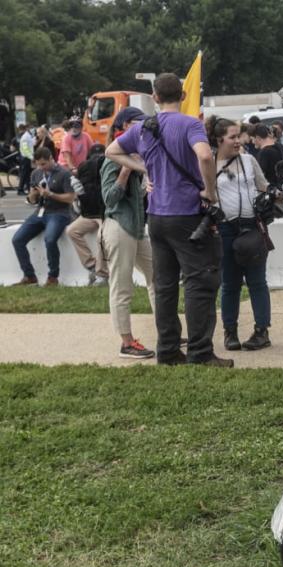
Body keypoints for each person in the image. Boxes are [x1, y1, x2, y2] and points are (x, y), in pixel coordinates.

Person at [106, 72, 232, 368]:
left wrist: (144, 168)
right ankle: (201, 352)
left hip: (157, 215)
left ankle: (168, 350)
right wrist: (210, 192)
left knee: (164, 286)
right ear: (184, 96)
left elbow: (112, 151)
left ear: (155, 97)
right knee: (199, 282)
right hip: (187, 214)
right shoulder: (190, 124)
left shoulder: (145, 127)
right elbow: (203, 156)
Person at [207, 116, 273, 352]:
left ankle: (261, 331)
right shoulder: (209, 163)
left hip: (251, 226)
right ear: (219, 139)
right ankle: (230, 332)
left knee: (257, 282)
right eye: (232, 137)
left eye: (239, 136)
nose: (238, 141)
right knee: (230, 284)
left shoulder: (248, 160)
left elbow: (264, 186)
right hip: (224, 228)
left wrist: (273, 199)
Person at [100, 106, 156, 360]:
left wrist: (146, 186)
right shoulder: (112, 157)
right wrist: (125, 171)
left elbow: (138, 198)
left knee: (158, 277)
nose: (142, 129)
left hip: (136, 228)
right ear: (123, 128)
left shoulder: (136, 156)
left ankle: (167, 329)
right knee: (122, 287)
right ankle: (126, 342)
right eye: (136, 124)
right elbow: (110, 199)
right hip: (119, 227)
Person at [10, 147, 76, 286]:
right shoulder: (36, 173)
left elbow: (71, 198)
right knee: (17, 239)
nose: (41, 167)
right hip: (40, 212)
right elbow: (31, 200)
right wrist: (33, 195)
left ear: (51, 158)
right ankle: (29, 276)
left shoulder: (64, 174)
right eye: (39, 164)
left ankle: (53, 277)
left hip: (59, 213)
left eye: (44, 164)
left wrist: (51, 194)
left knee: (50, 239)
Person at [65, 142, 109, 285]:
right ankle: (91, 265)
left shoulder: (109, 168)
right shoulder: (85, 169)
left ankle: (103, 274)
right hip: (90, 213)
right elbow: (80, 196)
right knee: (72, 230)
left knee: (101, 237)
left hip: (106, 214)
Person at [17, 123, 34, 195]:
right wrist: (31, 157)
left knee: (27, 174)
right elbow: (25, 149)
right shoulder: (25, 137)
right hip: (25, 157)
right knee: (24, 174)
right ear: (26, 128)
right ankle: (20, 189)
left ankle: (28, 188)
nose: (32, 129)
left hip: (27, 157)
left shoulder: (28, 136)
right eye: (30, 128)